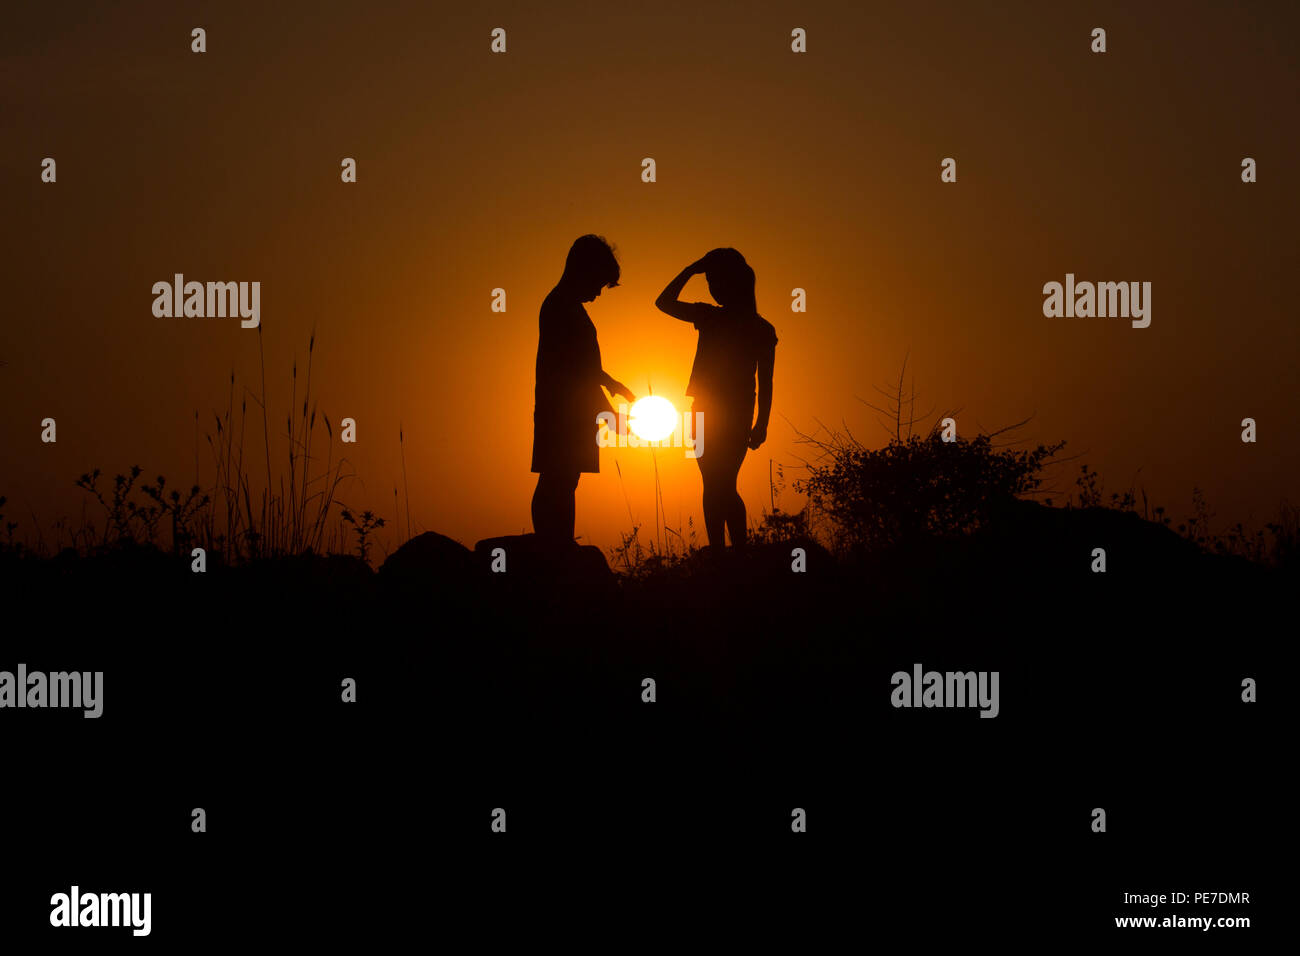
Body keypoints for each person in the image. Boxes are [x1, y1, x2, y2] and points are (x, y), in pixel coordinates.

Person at [655, 248, 776, 550]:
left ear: (734, 284)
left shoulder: (750, 326)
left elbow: (766, 382)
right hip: (705, 411)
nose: (712, 287)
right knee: (715, 483)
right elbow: (662, 303)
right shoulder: (714, 317)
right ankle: (724, 551)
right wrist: (693, 267)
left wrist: (762, 424)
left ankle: (733, 550)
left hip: (731, 413)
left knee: (720, 483)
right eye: (709, 281)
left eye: (715, 281)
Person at [531, 235, 636, 544]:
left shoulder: (564, 305)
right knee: (558, 477)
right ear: (584, 271)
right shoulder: (562, 307)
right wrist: (609, 414)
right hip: (564, 410)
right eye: (599, 284)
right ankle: (554, 544)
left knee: (565, 477)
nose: (597, 293)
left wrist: (609, 383)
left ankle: (559, 542)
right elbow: (575, 373)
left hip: (569, 409)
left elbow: (582, 366)